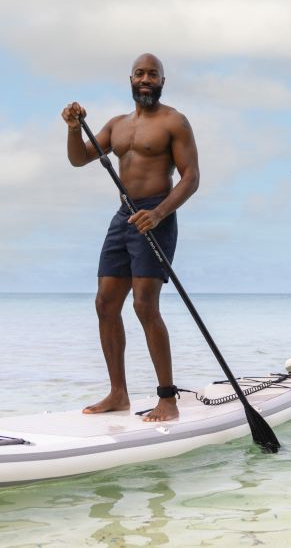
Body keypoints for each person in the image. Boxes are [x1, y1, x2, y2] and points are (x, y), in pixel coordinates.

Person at [61, 53, 200, 422]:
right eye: (139, 73)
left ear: (162, 81)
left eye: (152, 74)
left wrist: (158, 213)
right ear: (131, 79)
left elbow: (190, 178)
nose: (145, 78)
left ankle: (167, 398)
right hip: (124, 215)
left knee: (143, 305)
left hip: (157, 212)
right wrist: (75, 128)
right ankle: (118, 394)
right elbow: (79, 159)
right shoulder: (117, 125)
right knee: (105, 303)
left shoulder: (175, 122)